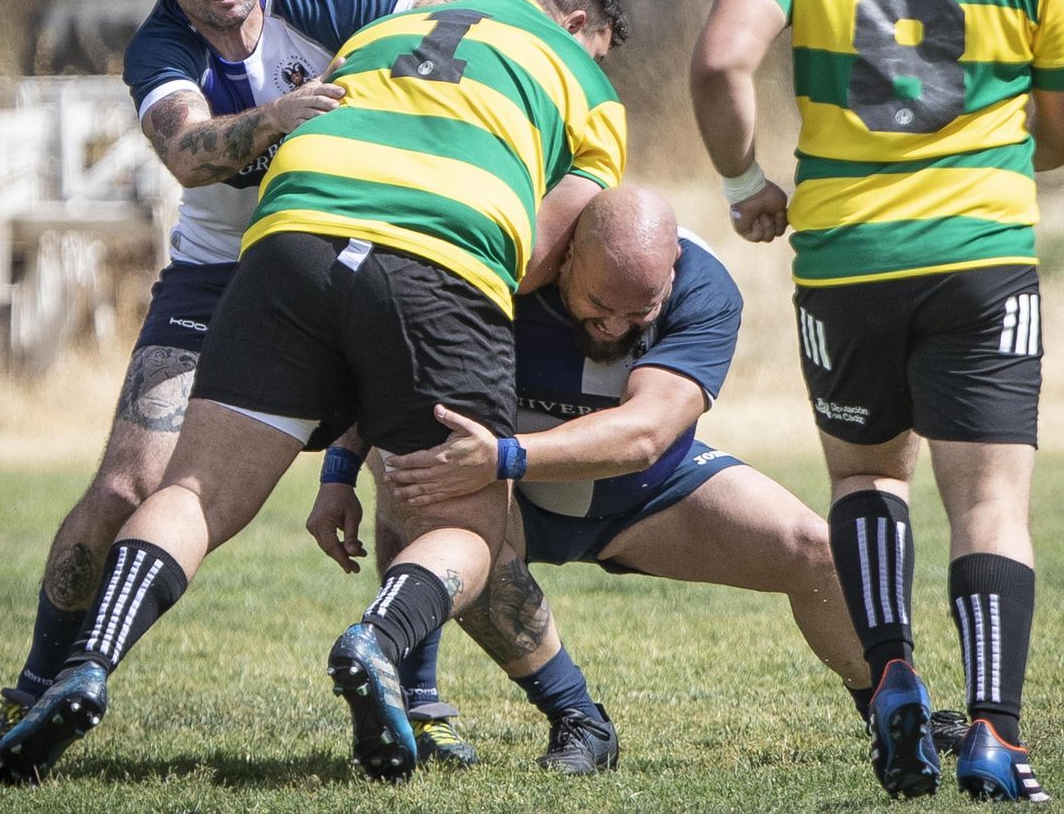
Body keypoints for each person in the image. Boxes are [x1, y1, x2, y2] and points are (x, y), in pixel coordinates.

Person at [0, 0, 630, 786]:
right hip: (439, 257)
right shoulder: (583, 79)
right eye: (602, 48)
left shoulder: (379, 36)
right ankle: (379, 640)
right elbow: (550, 248)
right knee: (466, 524)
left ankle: (86, 665)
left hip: (289, 238)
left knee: (195, 493)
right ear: (578, 21)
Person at [688, 0, 1064, 802]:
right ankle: (996, 735)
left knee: (867, 478)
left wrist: (744, 182)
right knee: (990, 504)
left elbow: (719, 60)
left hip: (845, 260)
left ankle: (894, 682)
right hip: (980, 260)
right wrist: (1009, 160)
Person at [0, 0, 446, 758]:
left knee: (411, 475)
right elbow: (191, 154)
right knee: (126, 487)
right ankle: (36, 688)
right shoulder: (160, 50)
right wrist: (283, 116)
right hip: (215, 283)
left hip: (337, 264)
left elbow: (452, 15)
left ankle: (417, 706)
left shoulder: (320, 0)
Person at [309, 186, 879, 776]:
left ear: (672, 272)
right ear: (567, 256)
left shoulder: (705, 287)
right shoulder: (500, 261)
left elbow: (644, 436)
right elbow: (389, 371)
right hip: (505, 499)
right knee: (418, 476)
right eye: (599, 304)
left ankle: (889, 706)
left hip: (644, 492)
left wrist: (504, 455)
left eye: (641, 313)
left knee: (819, 550)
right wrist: (340, 469)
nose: (613, 327)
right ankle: (547, 717)